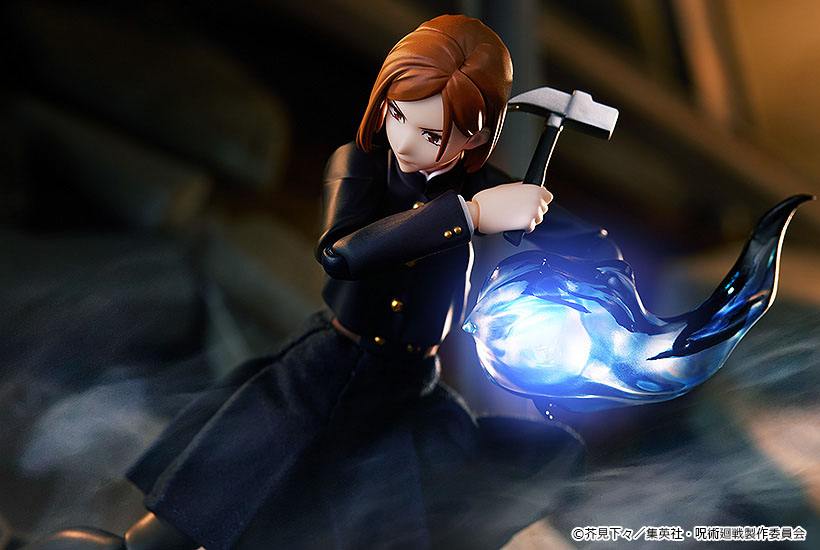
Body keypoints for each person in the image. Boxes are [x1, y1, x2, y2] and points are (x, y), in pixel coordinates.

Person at [30, 15, 608, 550]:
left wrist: (611, 283)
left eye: (433, 135)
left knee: (442, 504)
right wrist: (471, 215)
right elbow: (343, 251)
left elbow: (583, 239)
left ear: (475, 139)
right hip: (329, 371)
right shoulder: (359, 166)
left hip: (409, 390)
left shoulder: (481, 183)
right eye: (398, 116)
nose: (408, 143)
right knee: (187, 520)